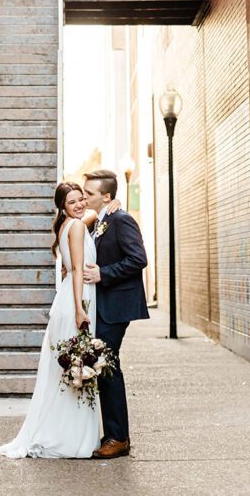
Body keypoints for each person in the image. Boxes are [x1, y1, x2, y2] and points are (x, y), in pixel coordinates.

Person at [0, 182, 118, 459]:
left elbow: (88, 221)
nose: (79, 204)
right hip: (78, 298)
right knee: (76, 368)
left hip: (70, 296)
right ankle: (69, 439)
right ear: (62, 206)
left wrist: (112, 208)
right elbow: (76, 269)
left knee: (70, 370)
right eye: (72, 201)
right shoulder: (75, 227)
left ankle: (64, 432)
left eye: (81, 199)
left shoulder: (67, 225)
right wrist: (79, 308)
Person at [83, 169, 149, 460]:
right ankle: (115, 433)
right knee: (105, 367)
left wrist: (103, 274)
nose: (85, 197)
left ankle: (118, 437)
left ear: (105, 196)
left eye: (89, 194)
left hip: (116, 307)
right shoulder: (102, 220)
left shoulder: (121, 219)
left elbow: (138, 259)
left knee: (108, 368)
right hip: (105, 305)